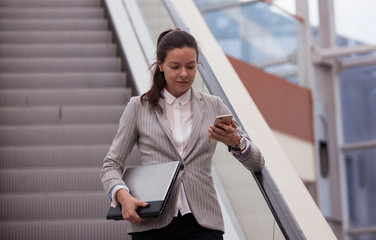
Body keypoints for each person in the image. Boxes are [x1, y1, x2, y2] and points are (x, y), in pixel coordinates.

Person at [100, 28, 265, 240]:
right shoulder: (139, 107)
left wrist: (237, 142)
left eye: (191, 66)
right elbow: (110, 165)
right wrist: (122, 196)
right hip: (151, 221)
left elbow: (257, 164)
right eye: (175, 67)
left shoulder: (214, 105)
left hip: (202, 222)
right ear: (160, 65)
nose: (184, 74)